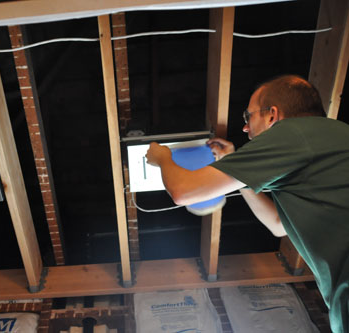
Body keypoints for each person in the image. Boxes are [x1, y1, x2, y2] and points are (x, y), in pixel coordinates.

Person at [146, 75, 349, 333]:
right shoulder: (332, 136)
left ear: (272, 115)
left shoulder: (292, 134)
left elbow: (183, 192)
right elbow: (278, 224)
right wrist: (241, 175)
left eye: (248, 116)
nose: (245, 128)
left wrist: (163, 157)